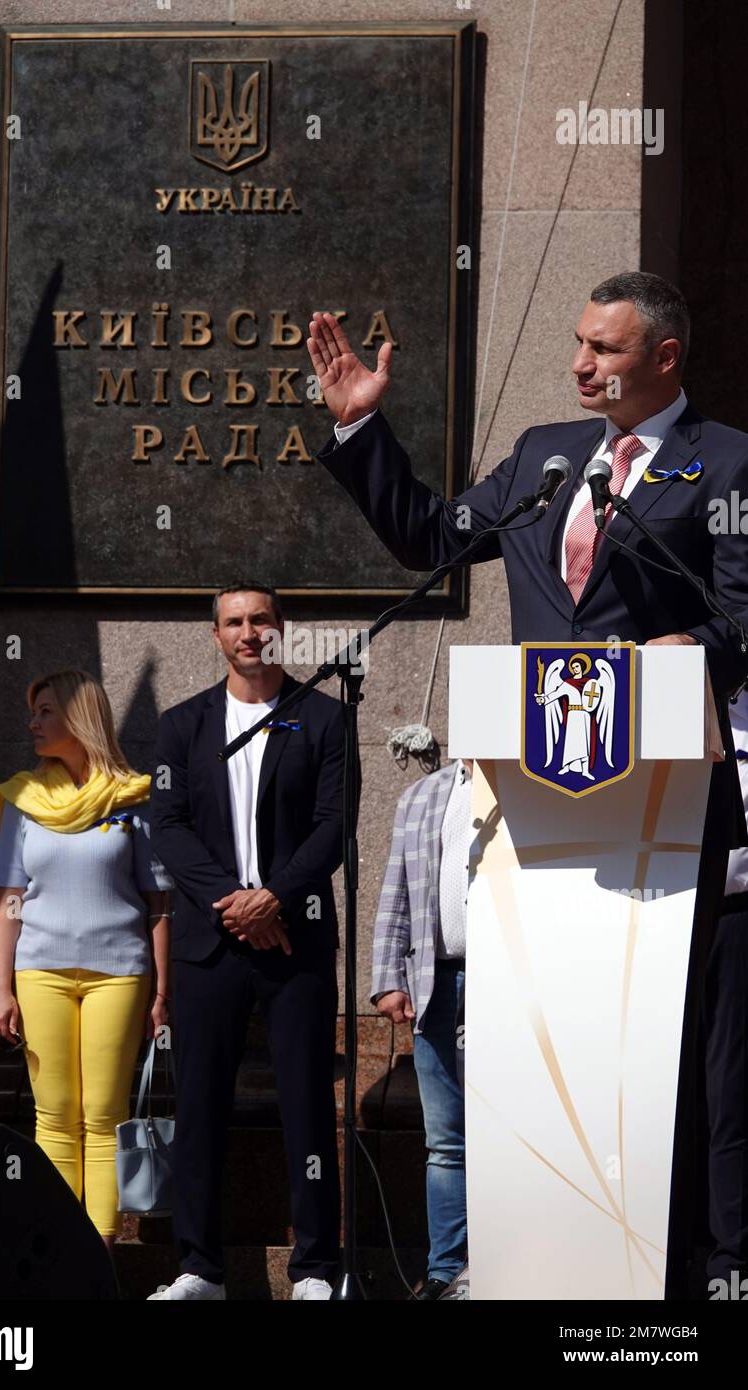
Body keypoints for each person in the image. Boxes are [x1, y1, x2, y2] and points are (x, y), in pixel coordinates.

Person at [308, 271, 748, 1296]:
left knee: (651, 1063)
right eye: (577, 343)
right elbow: (431, 537)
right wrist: (363, 435)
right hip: (534, 815)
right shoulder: (545, 454)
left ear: (663, 358)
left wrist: (697, 651)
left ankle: (666, 1281)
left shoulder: (724, 462)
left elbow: (739, 619)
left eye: (603, 349)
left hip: (662, 811)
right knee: (546, 1055)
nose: (578, 363)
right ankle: (544, 1272)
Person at [147, 583, 344, 1301]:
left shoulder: (323, 717)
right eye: (234, 622)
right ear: (216, 636)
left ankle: (318, 1268)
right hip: (210, 946)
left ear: (281, 628)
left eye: (261, 619)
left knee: (307, 1104)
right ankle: (199, 1267)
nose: (249, 632)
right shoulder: (181, 727)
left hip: (294, 943)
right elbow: (167, 823)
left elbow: (332, 827)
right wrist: (232, 902)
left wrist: (275, 898)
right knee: (198, 1106)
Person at [0, 669, 171, 1253]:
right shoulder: (23, 799)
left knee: (103, 1112)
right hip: (39, 970)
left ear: (79, 717)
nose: (32, 722)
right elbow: (9, 907)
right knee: (55, 1113)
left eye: (45, 711)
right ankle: (59, 1252)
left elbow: (158, 907)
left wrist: (163, 993)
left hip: (119, 972)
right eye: (34, 712)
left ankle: (100, 1254)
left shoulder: (131, 797)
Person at [373, 759, 474, 1301]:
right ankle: (447, 1271)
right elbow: (398, 891)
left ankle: (512, 1261)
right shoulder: (423, 795)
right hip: (437, 984)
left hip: (511, 988)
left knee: (513, 1134)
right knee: (445, 1141)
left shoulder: (538, 786)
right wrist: (388, 978)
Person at [705, 684, 748, 1291]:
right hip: (680, 912)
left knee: (734, 1095)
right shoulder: (688, 702)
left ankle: (732, 1262)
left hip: (740, 916)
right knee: (705, 1093)